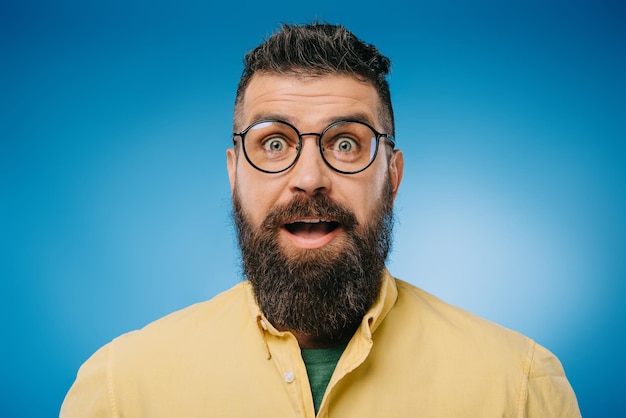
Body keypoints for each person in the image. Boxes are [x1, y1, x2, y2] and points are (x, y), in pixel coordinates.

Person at [61, 23, 581, 417]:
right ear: (234, 172)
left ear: (392, 176)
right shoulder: (119, 390)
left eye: (347, 143)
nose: (309, 178)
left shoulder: (521, 386)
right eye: (274, 142)